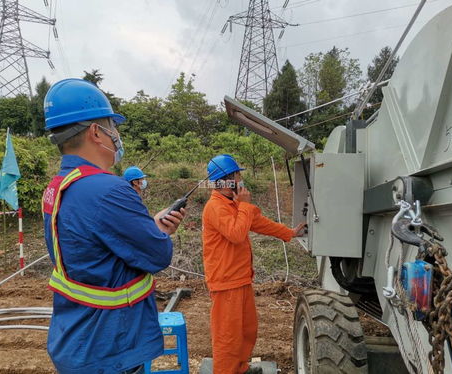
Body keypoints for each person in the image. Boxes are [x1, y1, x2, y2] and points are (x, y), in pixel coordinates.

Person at [41, 78, 185, 374]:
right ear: (96, 132)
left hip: (76, 334)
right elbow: (157, 256)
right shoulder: (109, 190)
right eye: (112, 127)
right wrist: (158, 233)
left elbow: (96, 246)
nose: (116, 136)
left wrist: (147, 227)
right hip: (108, 342)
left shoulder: (59, 187)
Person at [202, 154, 306, 374]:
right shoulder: (215, 207)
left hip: (240, 279)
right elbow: (236, 234)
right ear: (227, 180)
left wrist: (289, 233)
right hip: (225, 283)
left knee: (246, 331)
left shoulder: (234, 205)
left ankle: (240, 368)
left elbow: (259, 223)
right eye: (237, 175)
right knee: (228, 338)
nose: (240, 179)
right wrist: (245, 206)